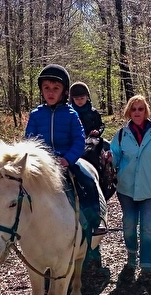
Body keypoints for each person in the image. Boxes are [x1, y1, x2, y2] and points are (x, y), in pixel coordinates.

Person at [25, 65, 106, 244]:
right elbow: (29, 141)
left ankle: (95, 219)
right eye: (46, 88)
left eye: (56, 88)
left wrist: (67, 159)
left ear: (64, 92)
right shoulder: (36, 115)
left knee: (87, 180)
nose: (50, 92)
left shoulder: (71, 115)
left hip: (66, 161)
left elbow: (79, 140)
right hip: (42, 164)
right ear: (41, 90)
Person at [107, 95, 151, 281]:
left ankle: (146, 265)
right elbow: (115, 157)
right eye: (134, 109)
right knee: (129, 225)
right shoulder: (121, 135)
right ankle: (131, 255)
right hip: (126, 189)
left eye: (140, 109)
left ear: (146, 111)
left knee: (148, 227)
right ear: (129, 111)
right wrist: (111, 158)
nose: (137, 112)